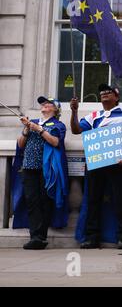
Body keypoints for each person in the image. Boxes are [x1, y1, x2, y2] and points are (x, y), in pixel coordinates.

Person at [70, 84, 122, 249]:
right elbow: (75, 130)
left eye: (108, 92)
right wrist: (74, 111)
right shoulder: (94, 116)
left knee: (121, 200)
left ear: (116, 97)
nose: (104, 93)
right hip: (96, 163)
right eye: (101, 92)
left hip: (118, 165)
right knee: (93, 199)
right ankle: (91, 237)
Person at [13, 96, 69, 250]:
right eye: (43, 104)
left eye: (48, 103)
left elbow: (56, 142)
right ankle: (35, 236)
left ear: (55, 109)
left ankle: (41, 237)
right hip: (29, 167)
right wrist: (26, 128)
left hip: (47, 169)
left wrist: (40, 130)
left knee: (45, 201)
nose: (44, 105)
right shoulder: (33, 122)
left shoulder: (58, 125)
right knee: (32, 201)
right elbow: (20, 144)